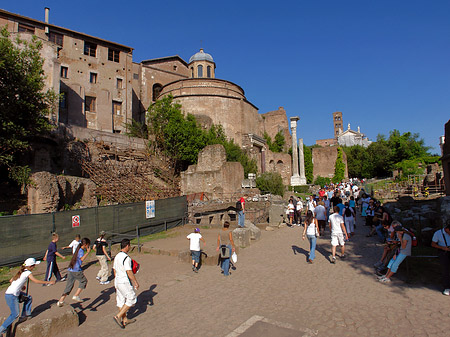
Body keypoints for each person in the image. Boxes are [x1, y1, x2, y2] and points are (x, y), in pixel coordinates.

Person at [0, 258, 55, 335]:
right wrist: (48, 282)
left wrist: (21, 287)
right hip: (11, 295)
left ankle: (26, 315)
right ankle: (2, 329)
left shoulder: (21, 271)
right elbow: (35, 281)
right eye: (34, 265)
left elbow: (11, 280)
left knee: (28, 298)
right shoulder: (27, 272)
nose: (34, 267)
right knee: (15, 314)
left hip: (11, 293)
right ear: (30, 266)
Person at [113, 239, 139, 329]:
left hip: (117, 281)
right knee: (131, 298)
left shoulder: (117, 256)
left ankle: (125, 319)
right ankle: (118, 316)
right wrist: (135, 282)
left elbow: (114, 269)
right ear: (127, 246)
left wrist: (117, 279)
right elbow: (129, 271)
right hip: (124, 281)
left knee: (120, 300)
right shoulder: (126, 258)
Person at [57, 238, 91, 306]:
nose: (88, 246)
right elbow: (81, 259)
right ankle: (76, 295)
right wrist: (87, 252)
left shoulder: (77, 249)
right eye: (88, 245)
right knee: (84, 281)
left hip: (70, 269)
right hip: (76, 270)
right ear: (85, 244)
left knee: (69, 286)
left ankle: (61, 300)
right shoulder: (81, 250)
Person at [431, 222, 450, 295]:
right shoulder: (438, 233)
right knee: (446, 269)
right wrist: (443, 247)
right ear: (447, 229)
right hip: (443, 251)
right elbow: (433, 244)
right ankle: (447, 287)